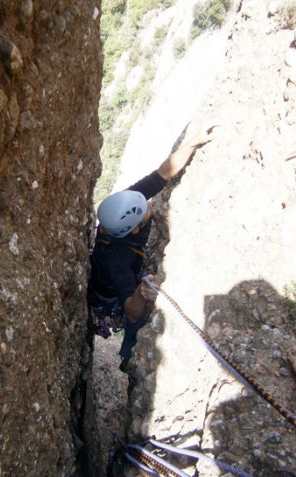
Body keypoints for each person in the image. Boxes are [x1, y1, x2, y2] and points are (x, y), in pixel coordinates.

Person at [88, 123, 218, 372]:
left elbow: (161, 174)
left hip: (118, 269)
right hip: (110, 294)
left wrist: (194, 141)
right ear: (134, 230)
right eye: (146, 208)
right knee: (138, 324)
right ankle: (127, 358)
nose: (148, 202)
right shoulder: (118, 262)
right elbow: (132, 312)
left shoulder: (127, 203)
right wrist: (140, 293)